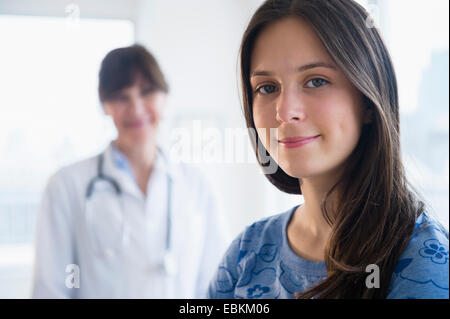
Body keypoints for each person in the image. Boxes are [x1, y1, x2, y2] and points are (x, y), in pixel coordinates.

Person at [208, 0, 449, 299]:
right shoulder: (245, 253)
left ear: (368, 101)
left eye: (316, 81)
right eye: (267, 88)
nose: (285, 111)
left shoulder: (423, 263)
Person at [32, 44, 229, 298]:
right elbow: (50, 289)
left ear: (164, 96)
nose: (136, 108)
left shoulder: (196, 184)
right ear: (104, 104)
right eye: (121, 96)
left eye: (147, 92)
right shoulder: (67, 185)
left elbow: (217, 285)